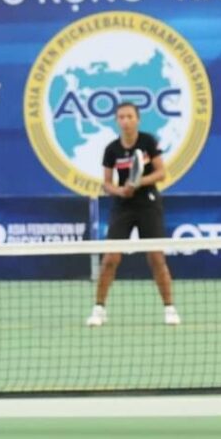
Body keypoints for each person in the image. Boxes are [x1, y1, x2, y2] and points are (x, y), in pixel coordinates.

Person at [87, 102, 180, 327]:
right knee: (110, 258)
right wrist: (120, 190)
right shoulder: (112, 149)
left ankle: (169, 308)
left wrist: (137, 182)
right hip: (123, 206)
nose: (125, 121)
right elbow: (107, 184)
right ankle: (99, 309)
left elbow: (161, 173)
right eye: (121, 117)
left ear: (137, 119)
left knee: (156, 258)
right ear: (117, 121)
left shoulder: (148, 142)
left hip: (148, 204)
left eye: (129, 116)